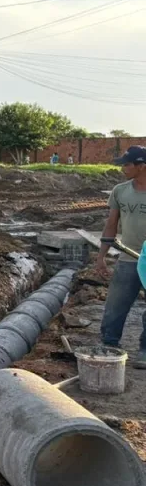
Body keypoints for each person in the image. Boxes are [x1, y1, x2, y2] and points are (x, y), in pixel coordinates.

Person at [95, 145, 146, 369]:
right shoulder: (120, 191)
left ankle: (145, 350)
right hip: (127, 257)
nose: (123, 168)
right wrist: (102, 256)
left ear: (141, 166)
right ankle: (110, 343)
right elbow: (111, 224)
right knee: (116, 304)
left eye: (127, 164)